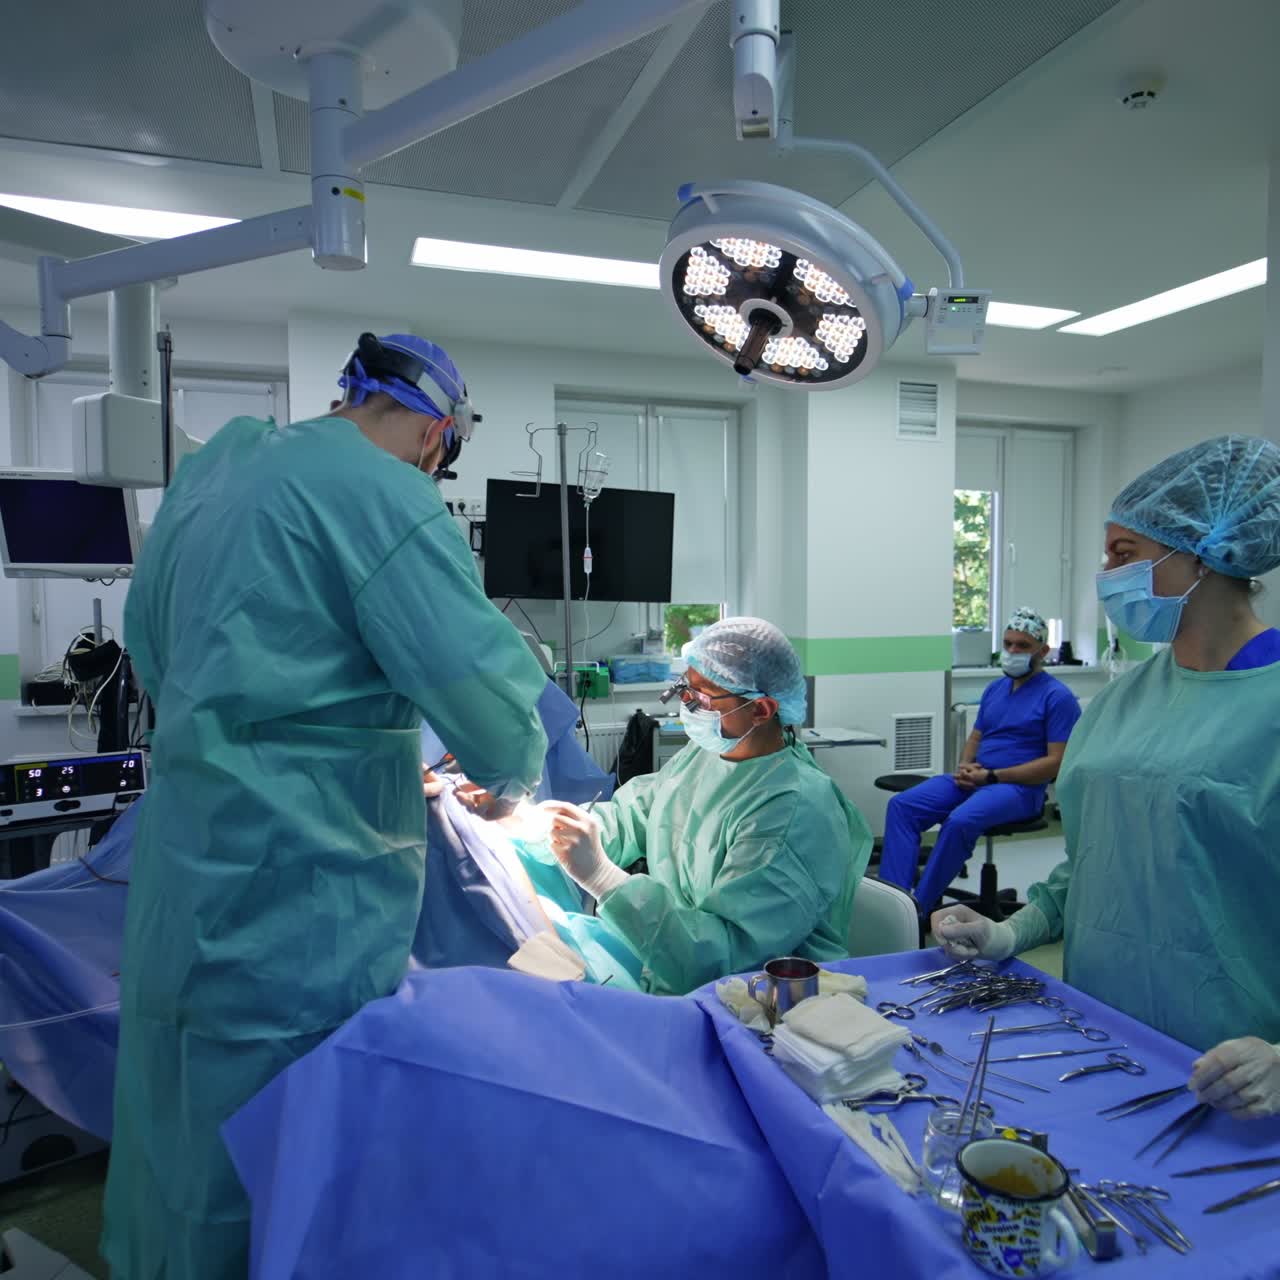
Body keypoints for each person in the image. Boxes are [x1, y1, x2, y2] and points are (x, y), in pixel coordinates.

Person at [102, 332, 549, 1278]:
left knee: (180, 1128)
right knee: (280, 1149)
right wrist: (508, 783)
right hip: (298, 893)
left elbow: (152, 649)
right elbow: (487, 699)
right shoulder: (388, 499)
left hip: (187, 863)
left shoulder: (214, 474)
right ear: (438, 436)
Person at [933, 434, 1280, 1120]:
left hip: (1235, 1077)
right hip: (1096, 1034)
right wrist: (1014, 932)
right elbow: (1097, 861)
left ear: (1206, 553)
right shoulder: (1122, 700)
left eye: (1125, 554)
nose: (1106, 574)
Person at [540, 617, 872, 995]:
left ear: (761, 709)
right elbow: (638, 813)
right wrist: (547, 827)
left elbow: (724, 957)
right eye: (686, 687)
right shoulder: (706, 755)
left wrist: (603, 878)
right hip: (673, 960)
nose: (687, 704)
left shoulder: (792, 808)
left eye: (703, 695)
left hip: (763, 1003)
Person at [879, 608, 1081, 914]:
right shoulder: (996, 689)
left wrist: (993, 776)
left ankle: (919, 908)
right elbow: (975, 737)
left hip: (1019, 790)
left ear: (1043, 651)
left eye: (1022, 646)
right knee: (903, 806)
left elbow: (1056, 762)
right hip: (977, 779)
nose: (1012, 651)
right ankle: (893, 902)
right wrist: (965, 766)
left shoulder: (1057, 697)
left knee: (960, 820)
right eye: (1008, 643)